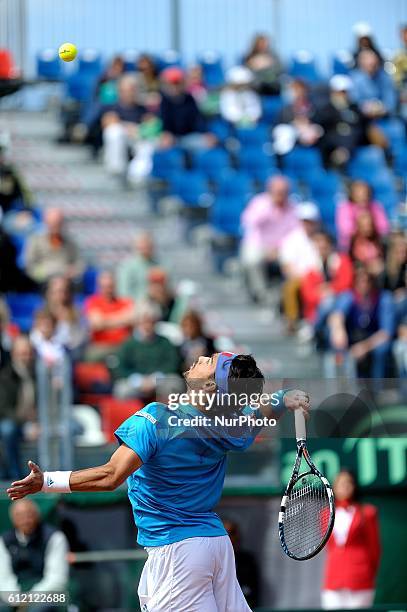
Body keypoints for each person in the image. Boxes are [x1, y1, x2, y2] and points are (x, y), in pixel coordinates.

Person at [6, 351, 311, 612]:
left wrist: (46, 480)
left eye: (211, 360)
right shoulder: (230, 426)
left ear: (209, 384)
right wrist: (286, 398)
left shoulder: (157, 418)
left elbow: (111, 476)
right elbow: (261, 410)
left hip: (178, 552)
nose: (201, 357)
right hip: (214, 547)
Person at [322, 469, 381, 609]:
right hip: (333, 578)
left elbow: (375, 549)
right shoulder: (325, 514)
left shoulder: (367, 512)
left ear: (354, 486)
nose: (344, 487)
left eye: (348, 483)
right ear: (334, 487)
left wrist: (367, 574)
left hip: (360, 579)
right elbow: (329, 547)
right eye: (340, 483)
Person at [0, 499, 69, 610]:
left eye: (29, 515)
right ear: (13, 519)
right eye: (20, 515)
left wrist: (30, 598)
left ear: (37, 516)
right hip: (14, 593)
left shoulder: (54, 537)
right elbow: (3, 577)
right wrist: (16, 599)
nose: (25, 520)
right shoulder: (4, 540)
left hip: (49, 593)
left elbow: (57, 579)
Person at [240, 175, 299, 305]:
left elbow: (295, 233)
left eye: (284, 192)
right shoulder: (259, 203)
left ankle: (289, 297)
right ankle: (261, 294)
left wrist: (278, 248)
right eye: (278, 191)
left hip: (282, 247)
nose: (281, 195)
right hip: (259, 244)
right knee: (251, 259)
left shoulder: (292, 207)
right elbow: (249, 223)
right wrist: (269, 207)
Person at [327, 266, 395, 378]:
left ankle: (377, 389)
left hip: (374, 339)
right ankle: (343, 387)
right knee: (337, 343)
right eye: (359, 281)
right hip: (354, 337)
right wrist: (338, 330)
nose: (363, 284)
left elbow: (386, 333)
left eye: (367, 280)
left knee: (382, 349)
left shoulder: (384, 298)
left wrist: (364, 347)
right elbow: (336, 316)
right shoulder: (349, 296)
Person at [112, 301, 181, 400]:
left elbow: (172, 364)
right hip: (135, 383)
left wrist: (154, 379)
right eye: (145, 320)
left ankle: (166, 414)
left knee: (176, 385)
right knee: (121, 390)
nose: (148, 325)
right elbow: (120, 367)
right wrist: (138, 380)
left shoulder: (165, 342)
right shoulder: (128, 344)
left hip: (160, 381)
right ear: (138, 321)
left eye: (152, 321)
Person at [279, 202, 320, 332]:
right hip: (300, 276)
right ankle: (292, 320)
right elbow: (287, 265)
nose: (308, 224)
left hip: (318, 277)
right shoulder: (292, 239)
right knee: (290, 287)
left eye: (310, 221)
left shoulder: (322, 238)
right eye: (305, 221)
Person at [0, 336, 36, 479]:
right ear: (14, 354)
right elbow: (3, 409)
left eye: (27, 353)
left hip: (35, 422)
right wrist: (24, 424)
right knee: (7, 429)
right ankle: (15, 476)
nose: (25, 357)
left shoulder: (36, 373)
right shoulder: (5, 376)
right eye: (21, 353)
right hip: (16, 421)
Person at [300, 231, 354, 324]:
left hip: (339, 305)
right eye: (318, 243)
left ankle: (335, 324)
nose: (321, 246)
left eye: (324, 243)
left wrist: (329, 289)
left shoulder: (342, 261)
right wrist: (322, 295)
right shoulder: (311, 266)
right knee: (328, 301)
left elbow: (347, 283)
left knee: (346, 297)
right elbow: (308, 294)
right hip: (319, 310)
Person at [315, 75, 367, 168]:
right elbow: (324, 131)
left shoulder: (354, 109)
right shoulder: (325, 110)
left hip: (351, 148)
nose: (342, 96)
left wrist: (346, 149)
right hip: (330, 151)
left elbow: (358, 130)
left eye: (344, 92)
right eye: (339, 92)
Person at [84, 270, 135, 361]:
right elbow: (97, 324)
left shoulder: (125, 301)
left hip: (123, 345)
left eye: (110, 286)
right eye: (104, 287)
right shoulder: (93, 302)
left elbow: (131, 319)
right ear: (99, 287)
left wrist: (105, 321)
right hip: (101, 346)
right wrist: (122, 318)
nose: (108, 290)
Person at [25, 207, 84, 286]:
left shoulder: (70, 241)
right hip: (44, 283)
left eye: (58, 223)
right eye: (53, 223)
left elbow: (79, 263)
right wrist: (44, 274)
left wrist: (74, 272)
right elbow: (30, 266)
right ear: (46, 222)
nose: (56, 227)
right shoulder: (35, 240)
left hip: (66, 282)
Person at [159, 67, 213, 149]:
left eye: (177, 82)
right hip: (172, 138)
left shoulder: (190, 99)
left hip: (189, 137)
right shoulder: (164, 101)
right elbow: (164, 124)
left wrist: (206, 134)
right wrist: (166, 134)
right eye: (172, 83)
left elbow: (198, 120)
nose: (174, 86)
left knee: (208, 143)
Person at [336, 180, 389, 251]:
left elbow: (384, 228)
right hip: (351, 246)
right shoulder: (344, 208)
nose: (362, 195)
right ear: (352, 194)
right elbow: (346, 230)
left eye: (365, 192)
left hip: (374, 242)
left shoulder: (375, 206)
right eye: (359, 192)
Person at [273, 79, 322, 155]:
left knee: (318, 130)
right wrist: (297, 124)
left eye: (301, 89)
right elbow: (283, 119)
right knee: (285, 132)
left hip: (306, 129)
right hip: (290, 129)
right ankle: (280, 158)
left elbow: (314, 118)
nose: (299, 92)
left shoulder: (309, 104)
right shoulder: (288, 106)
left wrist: (306, 125)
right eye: (296, 89)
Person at [45, 276, 88, 360]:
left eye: (65, 291)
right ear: (50, 293)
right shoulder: (43, 314)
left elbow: (82, 337)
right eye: (58, 291)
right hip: (49, 353)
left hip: (72, 352)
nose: (62, 295)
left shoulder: (77, 313)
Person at [223, 519, 260, 609]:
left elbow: (254, 591)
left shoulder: (248, 560)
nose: (229, 538)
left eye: (232, 533)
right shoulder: (214, 560)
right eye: (225, 534)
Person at [350, 49, 397, 119]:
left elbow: (391, 101)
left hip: (384, 117)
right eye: (369, 64)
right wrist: (367, 108)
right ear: (361, 63)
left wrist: (381, 109)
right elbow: (354, 101)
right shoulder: (354, 79)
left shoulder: (385, 78)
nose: (372, 65)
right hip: (362, 119)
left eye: (374, 64)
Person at [117, 231, 158, 301]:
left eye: (148, 244)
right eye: (143, 244)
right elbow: (123, 293)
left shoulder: (158, 265)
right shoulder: (127, 266)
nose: (146, 247)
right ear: (136, 246)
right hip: (136, 306)